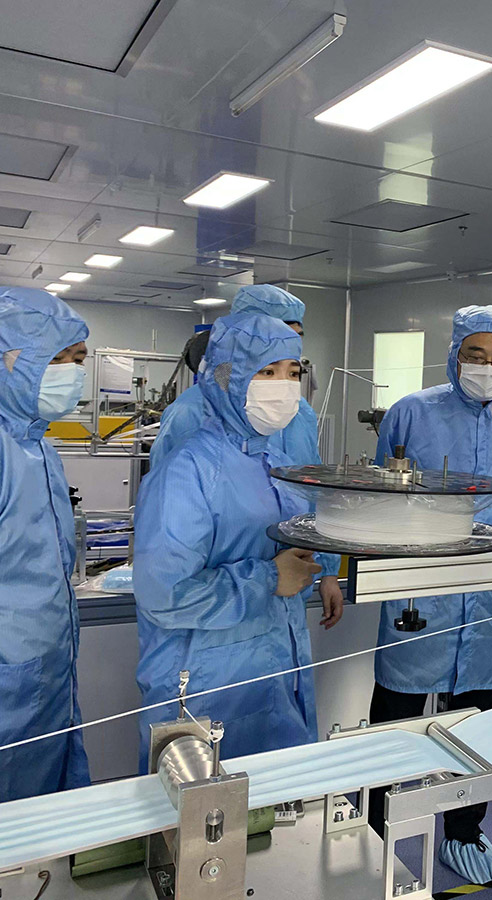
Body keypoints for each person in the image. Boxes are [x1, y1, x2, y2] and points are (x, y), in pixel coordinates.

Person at [369, 305, 492, 887]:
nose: (487, 367)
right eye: (475, 354)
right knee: (395, 718)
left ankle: (464, 831)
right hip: (420, 592)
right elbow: (380, 495)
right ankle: (371, 834)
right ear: (455, 356)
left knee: (475, 721)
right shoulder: (410, 413)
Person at [132, 313, 343, 768]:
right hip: (205, 682)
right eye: (267, 372)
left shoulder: (276, 464)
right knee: (202, 802)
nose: (284, 386)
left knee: (278, 799)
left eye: (292, 372)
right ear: (227, 377)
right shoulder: (188, 470)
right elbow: (164, 595)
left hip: (275, 669)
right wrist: (267, 579)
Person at [148, 284, 342, 624]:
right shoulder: (191, 416)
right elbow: (167, 543)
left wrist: (326, 569)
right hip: (217, 618)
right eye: (266, 364)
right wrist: (267, 579)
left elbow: (312, 494)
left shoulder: (298, 413)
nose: (282, 383)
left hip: (286, 604)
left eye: (293, 339)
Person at [0, 286, 92, 802]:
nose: (72, 373)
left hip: (45, 677)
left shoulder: (38, 447)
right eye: (57, 359)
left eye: (78, 360)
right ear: (6, 360)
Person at [148, 284, 318, 467]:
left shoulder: (300, 410)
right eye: (276, 336)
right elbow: (170, 476)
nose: (288, 346)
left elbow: (309, 470)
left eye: (296, 337)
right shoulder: (192, 410)